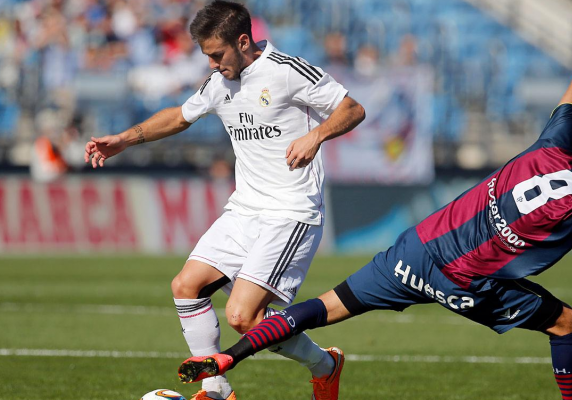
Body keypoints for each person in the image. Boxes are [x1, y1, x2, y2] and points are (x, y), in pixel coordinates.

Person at [177, 34, 572, 400]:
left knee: (323, 306)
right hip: (465, 284)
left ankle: (229, 359)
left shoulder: (553, 145)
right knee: (567, 323)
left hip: (415, 250)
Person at [83, 2, 365, 400]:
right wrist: (124, 140)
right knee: (186, 286)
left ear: (243, 41)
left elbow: (352, 109)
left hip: (291, 211)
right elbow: (181, 116)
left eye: (217, 54)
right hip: (245, 209)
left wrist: (315, 136)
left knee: (242, 317)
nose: (213, 64)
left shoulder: (286, 71)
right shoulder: (220, 82)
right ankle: (216, 391)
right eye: (207, 56)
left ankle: (325, 365)